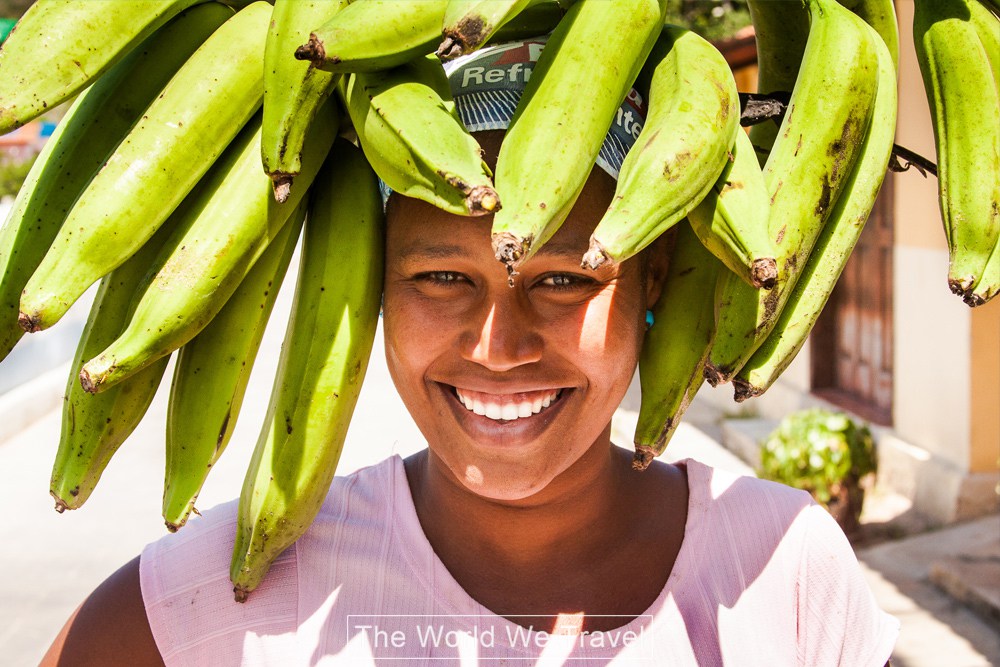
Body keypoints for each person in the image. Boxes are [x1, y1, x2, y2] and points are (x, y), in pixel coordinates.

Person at [41, 41, 898, 666]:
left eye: (564, 279)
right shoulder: (238, 595)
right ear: (374, 283)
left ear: (653, 282)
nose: (499, 344)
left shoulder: (782, 571)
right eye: (443, 274)